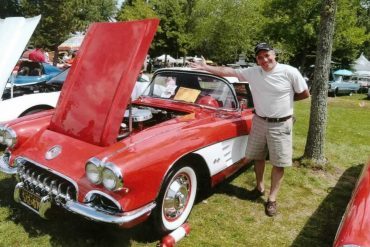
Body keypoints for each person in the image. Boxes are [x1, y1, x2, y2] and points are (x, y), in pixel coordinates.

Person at [190, 42, 310, 216]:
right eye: (260, 57)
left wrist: (285, 101)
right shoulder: (253, 72)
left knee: (279, 162)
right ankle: (259, 187)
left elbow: (304, 93)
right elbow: (227, 71)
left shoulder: (289, 71)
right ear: (257, 59)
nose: (264, 59)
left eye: (267, 55)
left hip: (281, 123)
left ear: (274, 54)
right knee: (257, 156)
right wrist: (205, 67)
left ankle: (272, 199)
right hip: (259, 120)